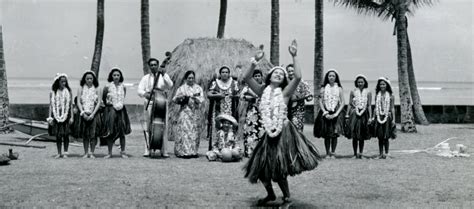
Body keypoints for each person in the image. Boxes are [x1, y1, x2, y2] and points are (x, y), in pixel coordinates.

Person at [243, 40, 321, 205]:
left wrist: (295, 56)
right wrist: (255, 61)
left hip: (282, 133)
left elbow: (298, 76)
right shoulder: (261, 91)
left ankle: (286, 197)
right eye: (275, 73)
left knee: (279, 169)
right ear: (269, 76)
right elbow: (247, 77)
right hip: (267, 133)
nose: (278, 75)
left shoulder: (285, 92)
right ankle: (270, 194)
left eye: (281, 74)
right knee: (261, 168)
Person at [137, 58, 173, 157]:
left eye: (155, 65)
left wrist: (164, 75)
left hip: (161, 102)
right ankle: (147, 149)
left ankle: (164, 150)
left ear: (158, 66)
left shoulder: (163, 76)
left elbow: (170, 85)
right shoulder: (145, 78)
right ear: (149, 66)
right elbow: (139, 90)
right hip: (150, 102)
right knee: (148, 126)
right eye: (151, 65)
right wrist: (145, 94)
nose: (153, 67)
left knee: (163, 126)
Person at [313, 69, 345, 159]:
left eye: (333, 76)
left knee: (334, 134)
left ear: (336, 78)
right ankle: (327, 153)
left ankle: (333, 152)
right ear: (327, 77)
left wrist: (336, 113)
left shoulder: (339, 88)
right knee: (327, 134)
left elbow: (342, 102)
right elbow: (320, 101)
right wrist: (325, 112)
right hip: (325, 112)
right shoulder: (323, 88)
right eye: (330, 76)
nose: (331, 77)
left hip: (336, 112)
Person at [172, 70, 204, 158]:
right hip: (184, 112)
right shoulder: (181, 88)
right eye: (189, 78)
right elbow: (174, 99)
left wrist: (195, 98)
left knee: (194, 133)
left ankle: (193, 152)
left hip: (195, 112)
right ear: (186, 79)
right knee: (184, 132)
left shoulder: (198, 88)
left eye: (192, 78)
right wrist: (181, 97)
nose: (191, 79)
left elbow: (201, 99)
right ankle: (183, 152)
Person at [207, 65, 240, 151]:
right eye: (223, 72)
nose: (225, 74)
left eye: (226, 72)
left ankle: (230, 148)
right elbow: (209, 94)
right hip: (218, 110)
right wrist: (218, 95)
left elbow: (238, 95)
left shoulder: (234, 83)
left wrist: (234, 96)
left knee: (230, 128)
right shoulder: (216, 83)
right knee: (217, 128)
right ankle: (217, 148)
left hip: (230, 111)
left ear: (229, 74)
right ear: (220, 74)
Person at [102, 68, 131, 158]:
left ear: (120, 76)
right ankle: (109, 152)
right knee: (110, 131)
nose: (116, 77)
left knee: (121, 131)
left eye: (118, 75)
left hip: (121, 111)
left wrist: (119, 105)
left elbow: (123, 97)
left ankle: (123, 152)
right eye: (114, 75)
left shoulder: (123, 87)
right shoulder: (107, 87)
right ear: (111, 76)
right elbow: (104, 98)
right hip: (111, 110)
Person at [75, 71, 102, 159]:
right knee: (85, 135)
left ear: (93, 79)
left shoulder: (97, 88)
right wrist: (82, 113)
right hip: (84, 113)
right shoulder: (80, 88)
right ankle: (86, 152)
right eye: (87, 79)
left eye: (91, 78)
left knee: (93, 135)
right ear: (84, 79)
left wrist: (93, 114)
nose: (89, 80)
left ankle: (92, 152)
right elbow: (78, 101)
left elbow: (98, 103)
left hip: (93, 114)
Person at [345, 75, 372, 159]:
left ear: (365, 83)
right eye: (359, 82)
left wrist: (370, 117)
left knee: (362, 135)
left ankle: (360, 153)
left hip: (364, 115)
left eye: (362, 82)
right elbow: (349, 104)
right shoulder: (353, 92)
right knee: (354, 135)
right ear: (356, 83)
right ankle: (354, 153)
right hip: (354, 115)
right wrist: (347, 114)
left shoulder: (368, 92)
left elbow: (369, 105)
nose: (360, 83)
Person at [47, 73, 74, 159]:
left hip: (66, 115)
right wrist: (50, 118)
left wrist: (72, 117)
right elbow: (51, 105)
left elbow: (71, 105)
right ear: (58, 82)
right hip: (56, 115)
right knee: (58, 135)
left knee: (66, 134)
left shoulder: (68, 91)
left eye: (65, 82)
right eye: (62, 82)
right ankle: (59, 152)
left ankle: (65, 152)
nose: (64, 83)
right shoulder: (53, 92)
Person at [240, 69, 264, 157]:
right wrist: (252, 97)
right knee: (250, 131)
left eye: (259, 76)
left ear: (262, 77)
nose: (257, 78)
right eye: (255, 76)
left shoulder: (265, 87)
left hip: (263, 113)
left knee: (261, 131)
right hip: (251, 112)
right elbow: (242, 97)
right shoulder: (248, 87)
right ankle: (250, 152)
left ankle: (261, 152)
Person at [373, 77, 396, 159]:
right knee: (380, 136)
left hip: (387, 116)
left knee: (386, 136)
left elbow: (392, 108)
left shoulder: (391, 96)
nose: (382, 86)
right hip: (379, 116)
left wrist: (393, 119)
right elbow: (375, 107)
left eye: (384, 84)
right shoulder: (377, 95)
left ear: (387, 85)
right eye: (381, 84)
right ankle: (380, 154)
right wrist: (373, 117)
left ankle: (386, 153)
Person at [287, 64, 313, 132]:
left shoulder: (303, 83)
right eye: (289, 71)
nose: (291, 73)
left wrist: (308, 97)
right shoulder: (285, 82)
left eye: (292, 71)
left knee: (297, 130)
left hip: (299, 110)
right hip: (286, 110)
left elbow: (308, 96)